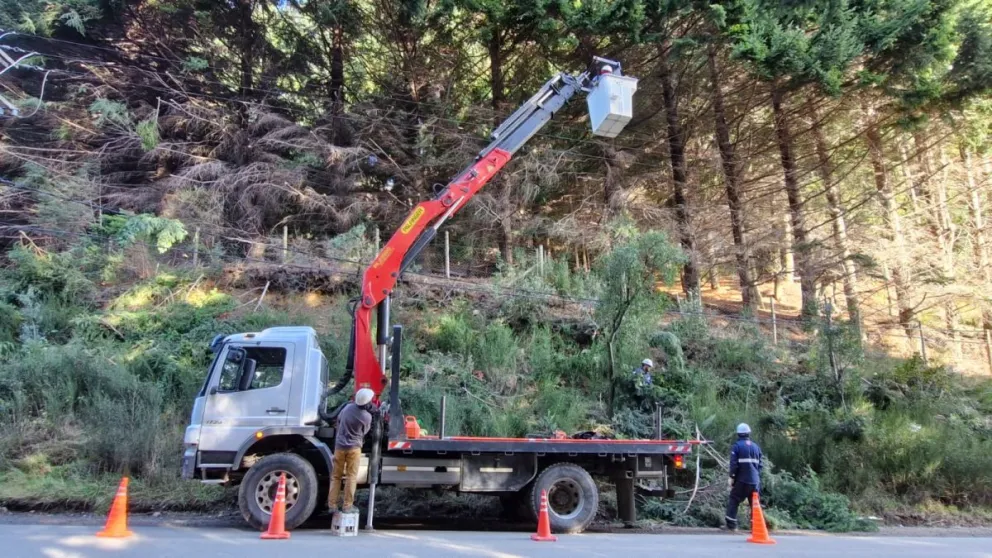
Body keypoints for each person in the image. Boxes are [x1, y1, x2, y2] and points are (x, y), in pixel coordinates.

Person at [328, 388, 375, 514]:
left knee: (336, 477)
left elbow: (338, 421)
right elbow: (365, 432)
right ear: (367, 403)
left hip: (339, 447)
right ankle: (347, 506)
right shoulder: (366, 417)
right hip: (354, 449)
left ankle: (332, 505)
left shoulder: (347, 408)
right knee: (351, 477)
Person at [725, 422, 762, 531]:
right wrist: (756, 477)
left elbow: (734, 465)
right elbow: (760, 465)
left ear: (738, 434)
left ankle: (731, 526)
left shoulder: (736, 447)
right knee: (754, 504)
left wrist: (732, 477)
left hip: (742, 480)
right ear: (748, 433)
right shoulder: (756, 447)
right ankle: (756, 527)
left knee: (734, 499)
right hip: (755, 481)